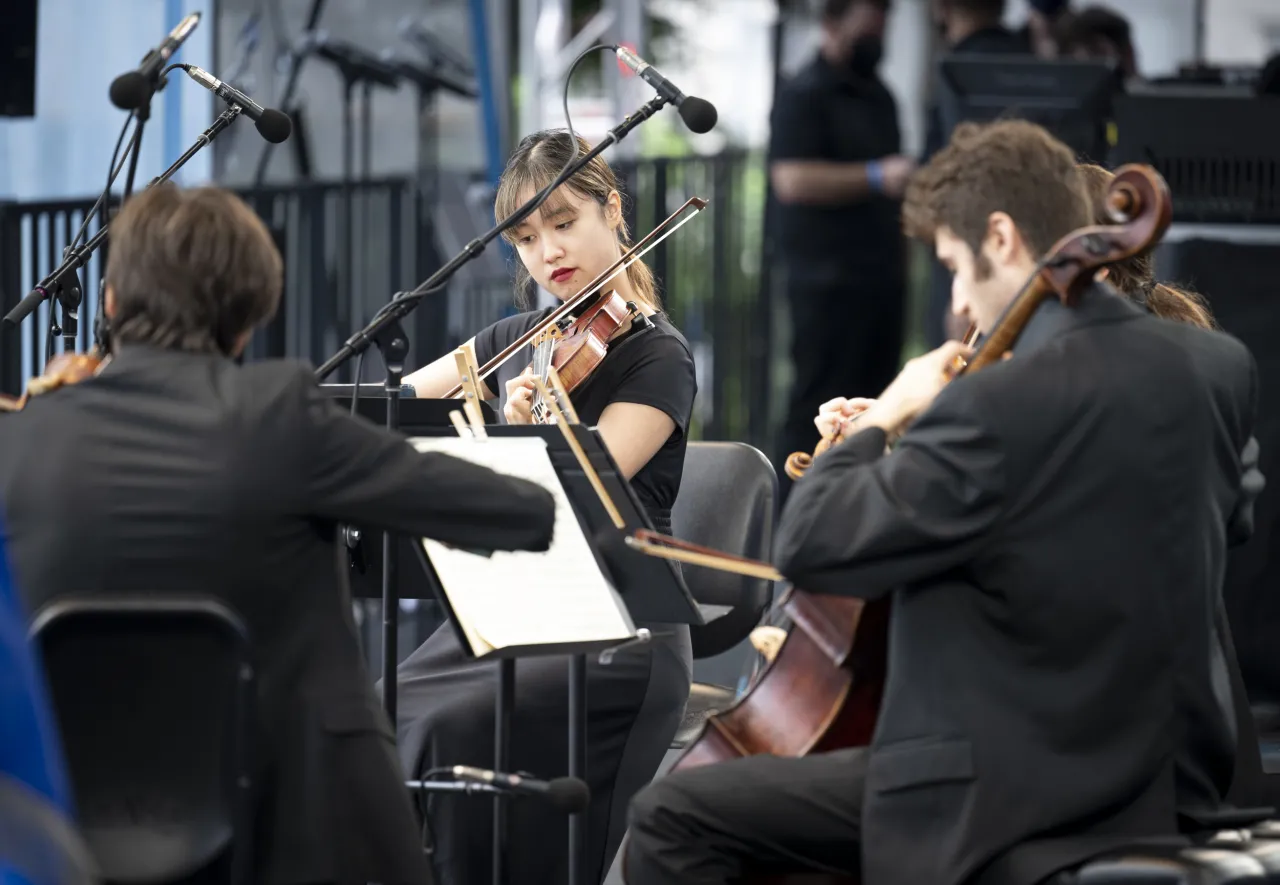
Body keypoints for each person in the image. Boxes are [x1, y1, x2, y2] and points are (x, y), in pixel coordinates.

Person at [623, 119, 1260, 885]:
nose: (957, 302)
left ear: (1001, 237)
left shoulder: (995, 398)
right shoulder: (1216, 365)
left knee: (674, 816)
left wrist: (888, 415)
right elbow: (1224, 519)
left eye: (955, 267)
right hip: (1174, 773)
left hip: (1011, 783)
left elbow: (811, 543)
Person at [0, 183, 558, 885]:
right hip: (301, 827)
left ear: (111, 303)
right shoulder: (282, 417)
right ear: (247, 319)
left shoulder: (19, 442)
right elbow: (522, 513)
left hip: (65, 833)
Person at [394, 129, 697, 885]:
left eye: (564, 223)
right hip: (518, 609)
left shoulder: (657, 357)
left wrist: (533, 431)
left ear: (613, 211)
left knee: (443, 727)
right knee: (383, 708)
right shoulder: (515, 341)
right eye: (526, 238)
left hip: (618, 625)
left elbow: (583, 489)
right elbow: (398, 402)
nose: (547, 252)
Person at [767, 0, 913, 499]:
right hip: (827, 281)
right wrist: (876, 176)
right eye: (868, 24)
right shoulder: (803, 94)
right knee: (818, 405)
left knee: (876, 405)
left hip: (881, 276)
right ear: (832, 23)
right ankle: (791, 519)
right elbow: (790, 178)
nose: (879, 33)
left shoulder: (880, 95)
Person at [921, 0, 1031, 348]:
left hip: (971, 257)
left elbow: (951, 187)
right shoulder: (1029, 57)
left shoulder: (958, 74)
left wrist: (963, 281)